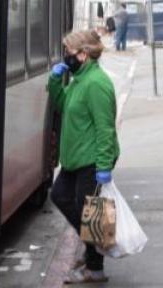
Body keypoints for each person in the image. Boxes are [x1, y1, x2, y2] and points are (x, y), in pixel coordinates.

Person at [48, 30, 119, 284]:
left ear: (84, 54)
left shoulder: (97, 83)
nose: (67, 56)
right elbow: (63, 105)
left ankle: (95, 266)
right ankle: (95, 247)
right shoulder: (79, 79)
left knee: (89, 212)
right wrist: (55, 82)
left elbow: (105, 128)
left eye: (70, 52)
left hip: (91, 159)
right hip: (75, 158)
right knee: (62, 197)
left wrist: (103, 165)